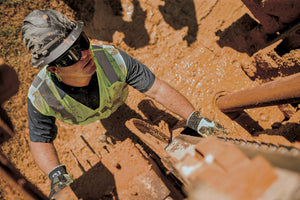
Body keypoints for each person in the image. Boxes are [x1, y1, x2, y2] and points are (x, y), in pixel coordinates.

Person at [22, 9, 225, 198]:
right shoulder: (40, 97)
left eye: (82, 42)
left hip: (116, 100)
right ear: (54, 70)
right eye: (71, 56)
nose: (85, 54)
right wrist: (56, 175)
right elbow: (40, 139)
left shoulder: (112, 58)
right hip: (84, 116)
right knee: (108, 123)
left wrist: (196, 119)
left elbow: (157, 89)